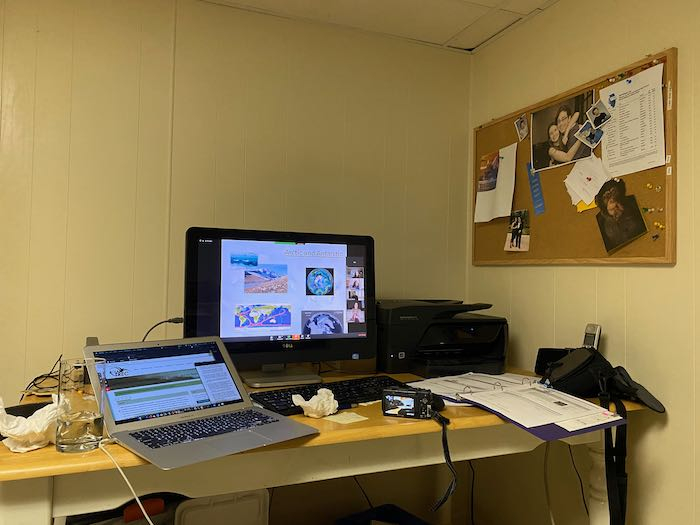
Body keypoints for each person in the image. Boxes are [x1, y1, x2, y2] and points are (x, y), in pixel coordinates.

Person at [595, 179, 647, 252]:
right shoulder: (604, 222)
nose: (611, 201)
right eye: (607, 197)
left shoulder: (630, 206)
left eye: (613, 196)